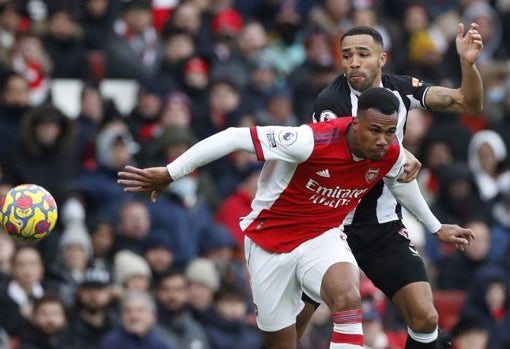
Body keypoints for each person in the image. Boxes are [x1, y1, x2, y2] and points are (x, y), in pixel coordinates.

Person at [118, 87, 474, 349]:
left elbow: (402, 180)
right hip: (269, 242)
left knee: (348, 296)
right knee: (280, 344)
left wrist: (435, 226)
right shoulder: (308, 141)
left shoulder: (390, 151)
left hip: (322, 235)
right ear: (354, 122)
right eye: (374, 130)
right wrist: (171, 172)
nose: (383, 140)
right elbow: (231, 137)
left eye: (389, 131)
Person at [302, 24, 483, 349]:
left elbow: (467, 104)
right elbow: (345, 156)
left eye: (362, 54)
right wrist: (399, 155)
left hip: (382, 227)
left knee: (425, 315)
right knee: (291, 327)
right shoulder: (331, 102)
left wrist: (468, 66)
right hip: (329, 227)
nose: (353, 62)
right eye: (346, 56)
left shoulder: (401, 89)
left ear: (382, 58)